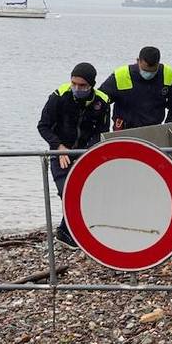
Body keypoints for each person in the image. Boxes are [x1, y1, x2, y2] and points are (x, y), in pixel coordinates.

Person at [37, 63, 110, 249]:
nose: (77, 88)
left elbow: (102, 131)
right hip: (60, 152)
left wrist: (88, 151)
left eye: (82, 86)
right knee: (67, 192)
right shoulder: (58, 96)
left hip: (85, 152)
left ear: (91, 85)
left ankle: (67, 231)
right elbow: (43, 126)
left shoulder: (102, 101)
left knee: (87, 193)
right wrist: (58, 146)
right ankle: (67, 232)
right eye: (74, 84)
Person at [99, 46, 172, 130]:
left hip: (154, 128)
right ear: (138, 61)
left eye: (152, 71)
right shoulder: (121, 75)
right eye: (145, 70)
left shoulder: (168, 74)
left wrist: (167, 126)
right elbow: (100, 100)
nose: (148, 74)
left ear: (158, 64)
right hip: (124, 129)